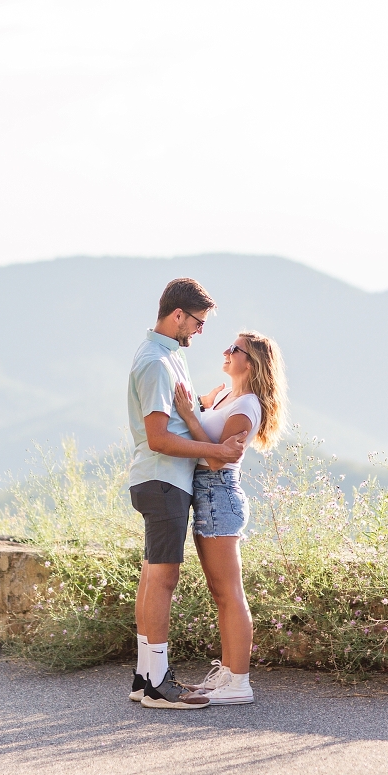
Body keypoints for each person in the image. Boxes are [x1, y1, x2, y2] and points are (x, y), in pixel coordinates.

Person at [127, 278, 248, 710]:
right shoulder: (158, 363)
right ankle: (158, 684)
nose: (199, 332)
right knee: (163, 578)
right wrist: (215, 449)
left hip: (159, 480)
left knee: (151, 576)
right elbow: (159, 437)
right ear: (177, 315)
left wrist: (202, 403)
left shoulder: (166, 358)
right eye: (197, 323)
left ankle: (146, 677)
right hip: (163, 479)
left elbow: (172, 418)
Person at [173, 330, 287, 706]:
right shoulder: (227, 395)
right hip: (208, 496)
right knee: (220, 593)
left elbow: (215, 459)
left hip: (218, 494)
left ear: (250, 362)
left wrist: (191, 415)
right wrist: (197, 407)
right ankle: (227, 672)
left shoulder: (247, 407)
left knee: (229, 594)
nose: (225, 351)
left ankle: (239, 683)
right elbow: (207, 437)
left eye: (234, 349)